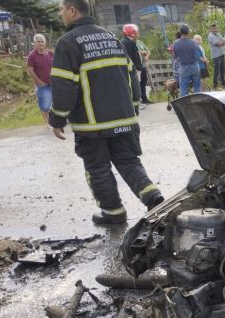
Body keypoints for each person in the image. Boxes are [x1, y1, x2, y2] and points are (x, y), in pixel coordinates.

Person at [49, 0, 163, 225]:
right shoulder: (111, 38)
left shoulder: (68, 43)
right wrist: (134, 105)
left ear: (72, 11)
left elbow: (64, 86)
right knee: (129, 162)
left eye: (61, 9)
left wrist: (57, 117)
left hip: (92, 125)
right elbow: (131, 73)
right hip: (125, 117)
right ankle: (154, 198)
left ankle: (113, 212)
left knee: (97, 167)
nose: (60, 14)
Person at [26, 33, 53, 125]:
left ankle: (56, 122)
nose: (40, 43)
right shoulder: (32, 55)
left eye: (42, 41)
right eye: (38, 42)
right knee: (45, 105)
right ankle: (47, 123)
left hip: (54, 83)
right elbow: (30, 70)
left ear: (45, 43)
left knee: (58, 104)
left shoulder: (50, 53)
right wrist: (39, 82)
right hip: (43, 85)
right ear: (34, 43)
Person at [173, 24, 201, 96]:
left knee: (184, 90)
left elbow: (175, 56)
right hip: (194, 66)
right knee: (197, 88)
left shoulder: (175, 43)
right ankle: (198, 103)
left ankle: (185, 106)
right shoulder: (194, 42)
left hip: (184, 67)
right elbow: (197, 55)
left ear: (180, 32)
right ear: (188, 32)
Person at [208, 23, 225, 89]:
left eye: (215, 28)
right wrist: (222, 42)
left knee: (222, 70)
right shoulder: (211, 36)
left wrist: (222, 42)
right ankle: (215, 86)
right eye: (213, 28)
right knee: (217, 72)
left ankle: (223, 84)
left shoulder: (218, 34)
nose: (215, 29)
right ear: (210, 29)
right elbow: (218, 44)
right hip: (216, 56)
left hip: (221, 54)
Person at [136, 36, 153, 103]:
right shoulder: (131, 43)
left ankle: (144, 99)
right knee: (138, 83)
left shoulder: (140, 42)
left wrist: (146, 56)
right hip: (137, 66)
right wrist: (142, 52)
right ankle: (139, 99)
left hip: (144, 65)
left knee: (144, 83)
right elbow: (136, 52)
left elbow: (148, 51)